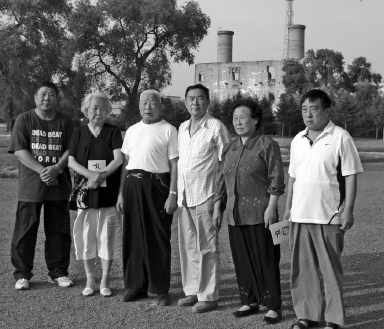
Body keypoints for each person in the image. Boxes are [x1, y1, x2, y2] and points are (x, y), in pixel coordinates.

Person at [283, 89, 363, 329]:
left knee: (330, 271)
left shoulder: (340, 137)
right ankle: (307, 316)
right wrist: (287, 210)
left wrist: (348, 209)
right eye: (304, 110)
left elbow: (350, 175)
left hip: (328, 216)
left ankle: (333, 319)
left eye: (314, 109)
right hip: (299, 215)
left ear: (327, 111)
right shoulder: (297, 139)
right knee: (302, 270)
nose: (308, 115)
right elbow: (292, 177)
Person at [213, 99, 285, 323]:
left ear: (255, 119)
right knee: (241, 259)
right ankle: (249, 300)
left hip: (261, 212)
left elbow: (276, 177)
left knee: (266, 259)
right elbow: (222, 180)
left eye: (243, 117)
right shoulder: (229, 147)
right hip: (235, 214)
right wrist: (218, 207)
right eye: (235, 118)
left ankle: (273, 304)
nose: (238, 122)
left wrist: (272, 207)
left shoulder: (267, 144)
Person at [8, 81, 74, 290]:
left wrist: (57, 168)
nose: (47, 98)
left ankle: (58, 272)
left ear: (57, 98)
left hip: (59, 185)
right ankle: (22, 274)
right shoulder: (24, 119)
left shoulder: (65, 121)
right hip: (31, 187)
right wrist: (43, 171)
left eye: (51, 95)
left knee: (59, 231)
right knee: (25, 231)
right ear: (35, 97)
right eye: (43, 94)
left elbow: (71, 149)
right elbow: (19, 150)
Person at [117, 90, 178, 306]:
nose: (147, 107)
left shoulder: (169, 130)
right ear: (139, 105)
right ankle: (137, 285)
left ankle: (160, 288)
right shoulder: (132, 130)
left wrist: (173, 194)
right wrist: (121, 193)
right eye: (144, 103)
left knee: (158, 236)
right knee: (133, 236)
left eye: (152, 103)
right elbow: (126, 163)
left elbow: (174, 164)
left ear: (160, 106)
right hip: (133, 183)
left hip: (157, 184)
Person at [177, 84, 231, 313]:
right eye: (191, 98)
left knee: (207, 247)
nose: (195, 103)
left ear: (208, 102)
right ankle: (192, 290)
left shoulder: (216, 127)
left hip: (207, 195)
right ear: (185, 102)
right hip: (184, 197)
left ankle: (208, 295)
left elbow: (226, 165)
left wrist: (219, 202)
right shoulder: (181, 127)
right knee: (187, 246)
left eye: (200, 98)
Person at [68, 92, 123, 297]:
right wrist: (91, 175)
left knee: (107, 236)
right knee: (86, 234)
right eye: (94, 108)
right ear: (86, 110)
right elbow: (71, 161)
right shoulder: (79, 132)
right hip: (85, 192)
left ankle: (106, 279)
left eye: (102, 108)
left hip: (108, 192)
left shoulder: (113, 132)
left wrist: (100, 176)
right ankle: (90, 277)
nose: (98, 112)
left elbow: (118, 159)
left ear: (108, 111)